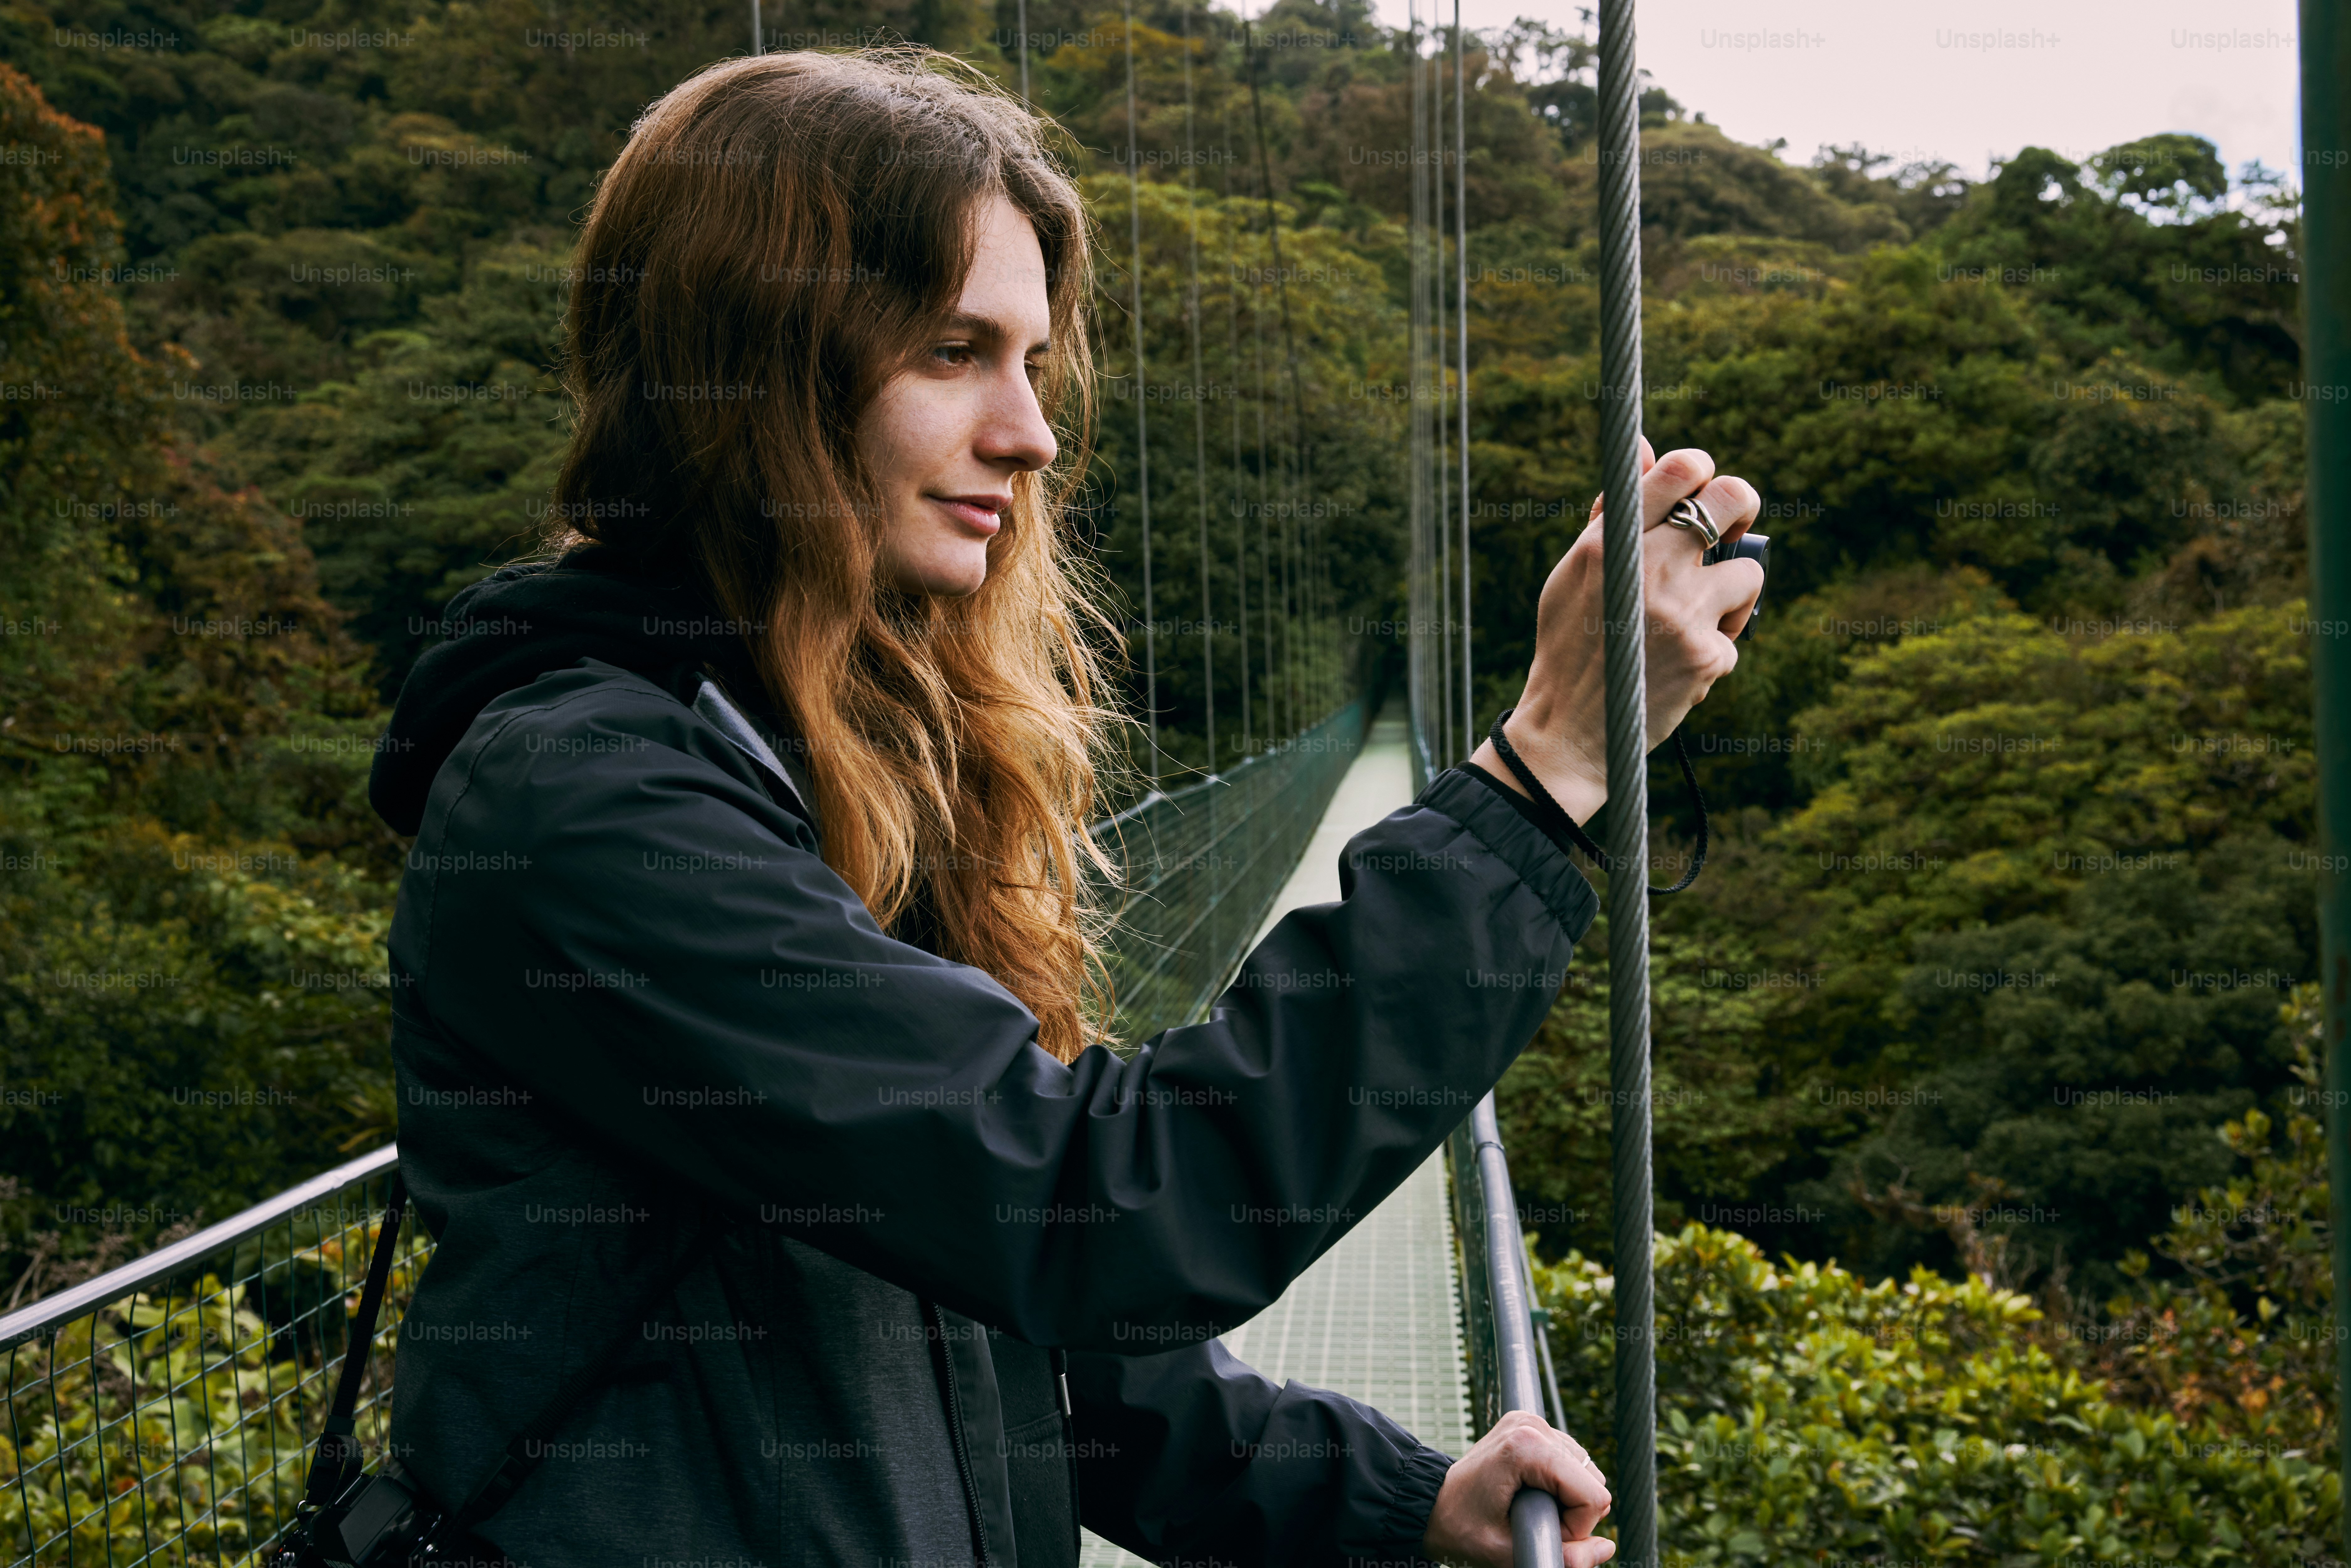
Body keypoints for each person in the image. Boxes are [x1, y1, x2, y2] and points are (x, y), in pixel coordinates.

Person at [371, 45, 1763, 1568]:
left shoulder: (827, 752)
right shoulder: (591, 800)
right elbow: (1087, 1212)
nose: (1031, 434)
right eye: (953, 351)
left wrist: (1387, 1499)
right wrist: (1548, 762)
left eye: (1032, 360)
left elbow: (988, 1318)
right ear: (762, 372)